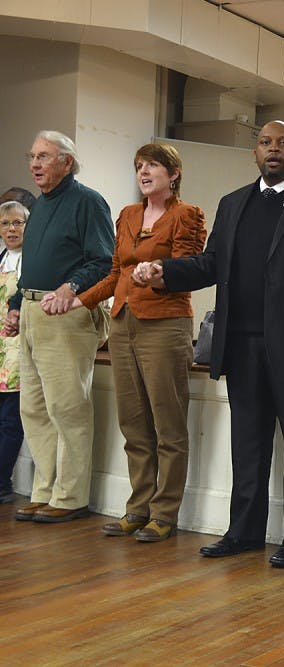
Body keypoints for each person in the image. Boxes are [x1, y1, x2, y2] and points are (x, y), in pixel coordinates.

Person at [132, 120, 284, 567]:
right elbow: (211, 264)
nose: (273, 149)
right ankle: (243, 531)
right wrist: (167, 272)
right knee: (248, 443)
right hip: (241, 345)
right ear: (255, 154)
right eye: (265, 143)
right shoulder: (233, 203)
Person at [43, 144, 206, 541]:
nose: (144, 171)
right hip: (122, 322)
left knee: (167, 424)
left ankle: (164, 514)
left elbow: (189, 268)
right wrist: (77, 298)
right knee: (133, 422)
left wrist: (159, 271)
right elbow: (117, 273)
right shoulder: (128, 215)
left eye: (152, 165)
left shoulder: (187, 215)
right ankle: (137, 508)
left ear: (173, 174)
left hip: (165, 323)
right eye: (139, 166)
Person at [3, 130, 113, 523]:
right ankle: (45, 490)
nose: (35, 163)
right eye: (32, 156)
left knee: (67, 407)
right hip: (33, 311)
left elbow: (104, 261)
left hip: (65, 313)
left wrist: (70, 288)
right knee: (34, 408)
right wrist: (16, 306)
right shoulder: (42, 207)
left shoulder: (88, 202)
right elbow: (31, 266)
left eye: (44, 156)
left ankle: (70, 496)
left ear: (67, 162)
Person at [0, 201, 28, 503]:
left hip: (18, 352)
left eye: (18, 223)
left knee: (10, 421)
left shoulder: (32, 261)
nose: (11, 229)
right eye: (6, 223)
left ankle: (1, 481)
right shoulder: (1, 259)